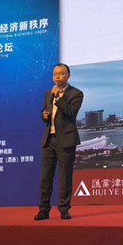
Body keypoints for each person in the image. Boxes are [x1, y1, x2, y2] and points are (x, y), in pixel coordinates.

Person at [34, 63, 84, 221]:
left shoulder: (76, 93)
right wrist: (44, 115)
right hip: (49, 140)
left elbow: (71, 112)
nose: (57, 77)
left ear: (68, 76)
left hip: (66, 140)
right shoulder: (48, 93)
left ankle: (64, 209)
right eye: (55, 74)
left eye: (61, 74)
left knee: (65, 177)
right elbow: (44, 112)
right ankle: (43, 210)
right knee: (46, 177)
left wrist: (58, 98)